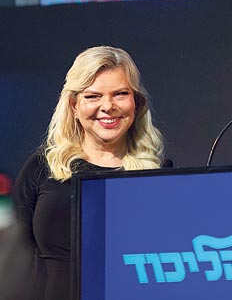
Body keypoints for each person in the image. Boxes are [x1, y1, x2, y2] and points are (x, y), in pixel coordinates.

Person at [12, 46, 171, 300]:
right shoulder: (44, 167)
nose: (108, 106)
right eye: (93, 96)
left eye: (120, 94)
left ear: (136, 102)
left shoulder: (157, 174)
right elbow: (13, 255)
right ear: (74, 105)